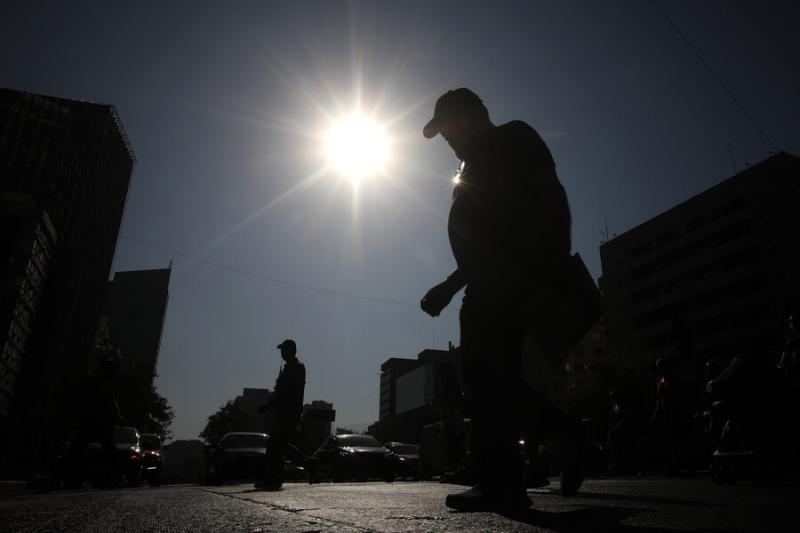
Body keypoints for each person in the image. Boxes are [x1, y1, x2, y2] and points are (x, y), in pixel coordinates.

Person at [420, 88, 587, 511]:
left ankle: (513, 473)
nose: (450, 142)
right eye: (445, 138)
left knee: (489, 377)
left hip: (508, 282)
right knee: (491, 379)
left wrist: (549, 268)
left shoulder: (512, 139)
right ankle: (544, 448)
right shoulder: (470, 166)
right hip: (486, 284)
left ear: (476, 116)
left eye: (452, 130)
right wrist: (451, 285)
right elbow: (482, 240)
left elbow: (553, 201)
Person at [66, 355, 125, 488]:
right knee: (106, 450)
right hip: (97, 421)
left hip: (95, 421)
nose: (114, 373)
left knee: (77, 447)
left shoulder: (100, 382)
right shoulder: (102, 383)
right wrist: (118, 416)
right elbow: (111, 402)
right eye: (113, 370)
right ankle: (117, 477)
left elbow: (109, 401)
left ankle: (61, 476)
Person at [256, 339, 306, 490]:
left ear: (292, 350)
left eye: (284, 350)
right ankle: (311, 464)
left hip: (289, 412)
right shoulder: (288, 368)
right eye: (281, 350)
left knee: (274, 445)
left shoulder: (297, 367)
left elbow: (288, 392)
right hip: (284, 412)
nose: (282, 353)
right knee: (282, 446)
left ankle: (274, 477)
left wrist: (269, 405)